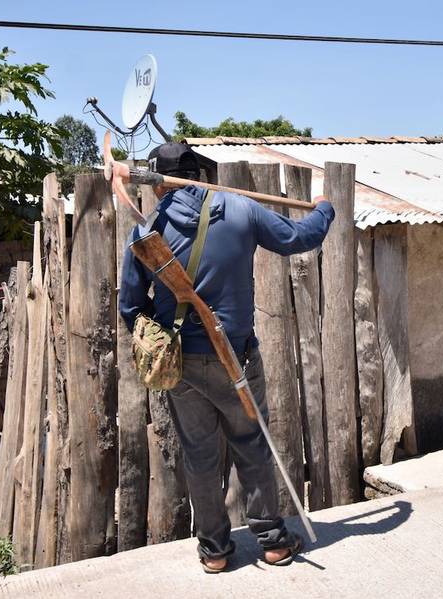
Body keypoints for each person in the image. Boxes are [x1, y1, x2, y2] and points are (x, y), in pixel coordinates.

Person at [118, 142, 334, 573]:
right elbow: (299, 238)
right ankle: (272, 542)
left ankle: (215, 551)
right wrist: (324, 208)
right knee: (252, 445)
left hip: (180, 366)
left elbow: (130, 306)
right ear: (198, 174)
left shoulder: (146, 233)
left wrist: (159, 338)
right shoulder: (240, 210)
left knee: (200, 455)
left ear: (158, 183)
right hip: (235, 358)